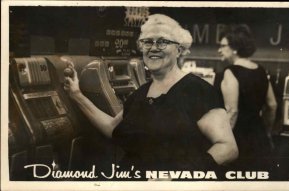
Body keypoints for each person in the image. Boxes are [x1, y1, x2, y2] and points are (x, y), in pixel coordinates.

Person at [64, 14, 238, 180]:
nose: (153, 48)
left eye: (162, 42)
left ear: (179, 50)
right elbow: (112, 129)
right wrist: (76, 95)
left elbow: (227, 147)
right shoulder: (141, 93)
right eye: (147, 42)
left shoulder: (198, 90)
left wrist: (178, 177)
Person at [214, 25, 277, 171]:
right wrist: (267, 132)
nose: (219, 49)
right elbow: (272, 105)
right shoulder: (261, 70)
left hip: (238, 139)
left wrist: (222, 144)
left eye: (223, 46)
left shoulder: (230, 72)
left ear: (235, 48)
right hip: (259, 137)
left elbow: (232, 112)